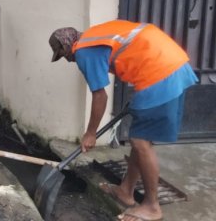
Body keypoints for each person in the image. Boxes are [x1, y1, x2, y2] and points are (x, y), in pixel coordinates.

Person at [49, 20, 198, 221]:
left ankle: (152, 207)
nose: (69, 61)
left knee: (141, 142)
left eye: (64, 56)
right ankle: (126, 191)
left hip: (160, 73)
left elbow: (100, 96)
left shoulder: (83, 51)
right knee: (140, 138)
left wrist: (91, 133)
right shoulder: (93, 36)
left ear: (67, 47)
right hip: (172, 65)